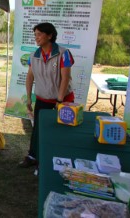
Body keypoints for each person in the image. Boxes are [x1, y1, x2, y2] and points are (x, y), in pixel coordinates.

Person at [19, 22, 74, 168]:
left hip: (62, 100)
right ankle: (33, 156)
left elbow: (65, 78)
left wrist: (60, 100)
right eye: (35, 34)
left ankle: (57, 158)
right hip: (42, 99)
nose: (36, 38)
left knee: (59, 130)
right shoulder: (34, 55)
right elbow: (30, 77)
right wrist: (29, 97)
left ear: (50, 35)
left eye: (39, 34)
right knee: (38, 129)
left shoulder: (63, 53)